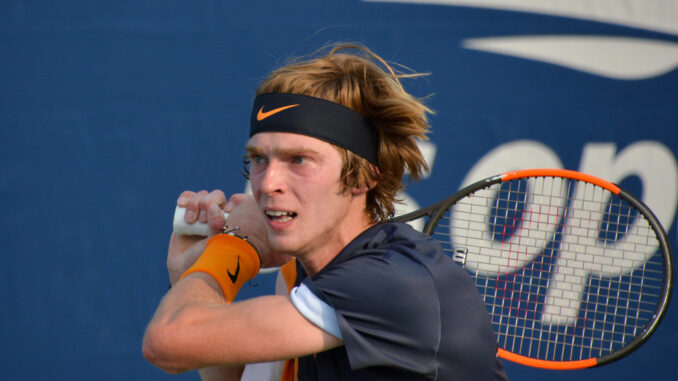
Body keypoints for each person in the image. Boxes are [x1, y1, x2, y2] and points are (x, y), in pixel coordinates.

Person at [143, 43, 508, 381]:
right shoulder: (299, 279)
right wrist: (188, 275)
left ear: (364, 175)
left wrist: (233, 248)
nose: (268, 183)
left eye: (298, 159)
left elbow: (168, 343)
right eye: (258, 159)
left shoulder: (393, 283)